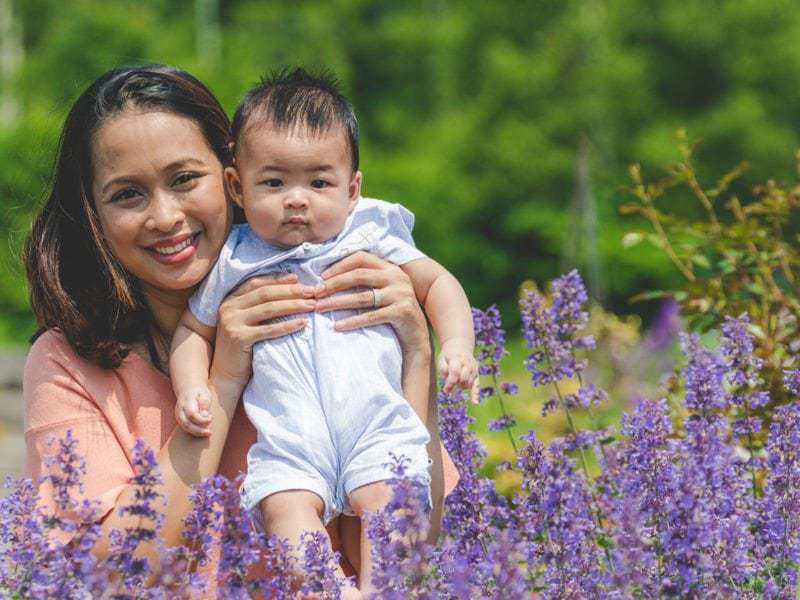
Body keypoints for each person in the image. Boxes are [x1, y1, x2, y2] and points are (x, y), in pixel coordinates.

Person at [22, 65, 458, 594]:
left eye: (184, 180)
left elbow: (416, 537)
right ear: (93, 212)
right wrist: (224, 378)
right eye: (127, 195)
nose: (164, 216)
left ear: (233, 176)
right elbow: (111, 574)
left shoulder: (327, 305)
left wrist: (417, 351)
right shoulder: (68, 362)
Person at [169, 68, 477, 597]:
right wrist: (192, 387)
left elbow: (438, 284)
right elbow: (192, 331)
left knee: (390, 507)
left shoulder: (371, 232)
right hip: (291, 442)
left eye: (319, 182)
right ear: (237, 186)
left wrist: (457, 344)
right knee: (285, 512)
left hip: (376, 427)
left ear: (352, 188)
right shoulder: (236, 257)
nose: (297, 199)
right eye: (273, 182)